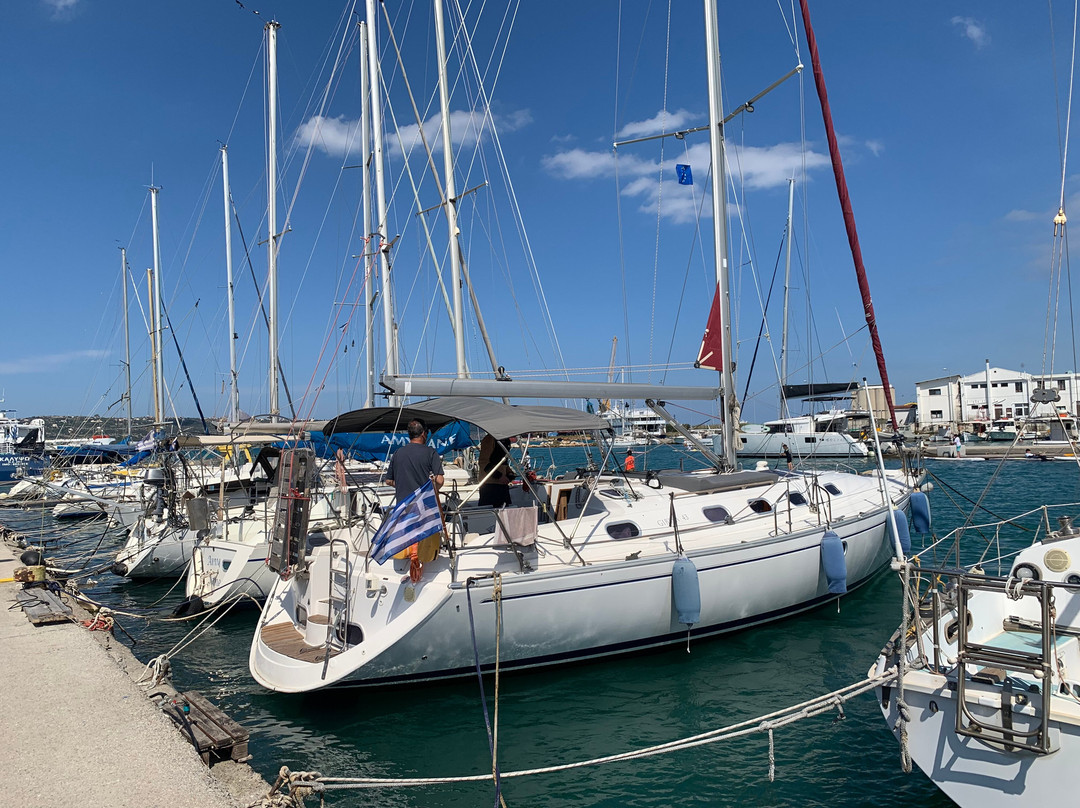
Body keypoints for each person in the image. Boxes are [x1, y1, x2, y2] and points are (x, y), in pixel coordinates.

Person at [385, 419, 444, 503]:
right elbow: (439, 480)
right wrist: (431, 492)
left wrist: (403, 487)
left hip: (402, 506)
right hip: (422, 506)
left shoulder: (397, 453)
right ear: (423, 433)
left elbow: (389, 481)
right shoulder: (431, 452)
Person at [478, 434, 515, 508]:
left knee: (506, 510)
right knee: (489, 512)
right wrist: (499, 476)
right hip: (490, 484)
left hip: (503, 485)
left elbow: (504, 462)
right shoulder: (489, 439)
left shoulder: (506, 440)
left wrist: (510, 473)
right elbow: (483, 462)